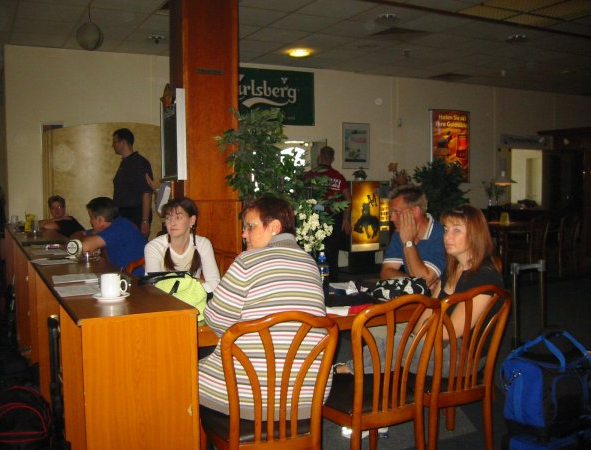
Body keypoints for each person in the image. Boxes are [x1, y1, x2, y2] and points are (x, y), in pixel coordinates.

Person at [198, 195, 329, 420]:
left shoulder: (247, 261)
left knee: (181, 373)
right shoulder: (310, 263)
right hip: (307, 397)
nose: (244, 234)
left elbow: (215, 320)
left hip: (249, 398)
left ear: (275, 227)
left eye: (250, 227)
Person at [335, 204, 504, 377]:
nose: (447, 236)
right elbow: (429, 309)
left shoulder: (484, 277)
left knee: (395, 346)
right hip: (437, 344)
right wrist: (415, 335)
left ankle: (342, 371)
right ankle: (353, 372)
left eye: (457, 230)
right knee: (393, 341)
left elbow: (450, 332)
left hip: (462, 358)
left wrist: (419, 335)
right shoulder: (453, 269)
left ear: (475, 235)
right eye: (446, 230)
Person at [144, 197, 220, 295]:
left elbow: (215, 284)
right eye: (168, 218)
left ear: (192, 220)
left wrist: (182, 291)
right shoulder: (154, 247)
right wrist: (196, 283)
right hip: (164, 301)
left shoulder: (203, 244)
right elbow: (154, 286)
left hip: (195, 300)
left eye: (178, 217)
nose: (172, 223)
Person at [380, 184, 446, 287]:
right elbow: (385, 273)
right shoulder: (399, 233)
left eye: (397, 212)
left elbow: (424, 282)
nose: (392, 218)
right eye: (391, 212)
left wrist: (408, 243)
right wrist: (412, 280)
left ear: (416, 211)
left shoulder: (441, 235)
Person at [305, 146, 351, 282]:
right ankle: (333, 281)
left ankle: (315, 281)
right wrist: (345, 220)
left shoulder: (310, 175)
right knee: (332, 252)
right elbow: (349, 200)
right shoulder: (339, 177)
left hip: (315, 217)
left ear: (319, 157)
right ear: (333, 159)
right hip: (334, 218)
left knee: (315, 251)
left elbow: (303, 197)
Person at [79, 197, 147, 276]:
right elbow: (78, 235)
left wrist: (81, 239)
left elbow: (83, 247)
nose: (90, 222)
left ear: (100, 220)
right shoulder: (118, 224)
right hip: (123, 274)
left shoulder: (119, 227)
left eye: (91, 218)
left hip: (137, 278)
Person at [112, 128, 154, 237]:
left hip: (136, 215)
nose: (113, 145)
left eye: (115, 142)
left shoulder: (139, 163)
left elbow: (147, 192)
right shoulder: (126, 163)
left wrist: (144, 221)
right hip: (124, 215)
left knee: (136, 246)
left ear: (123, 142)